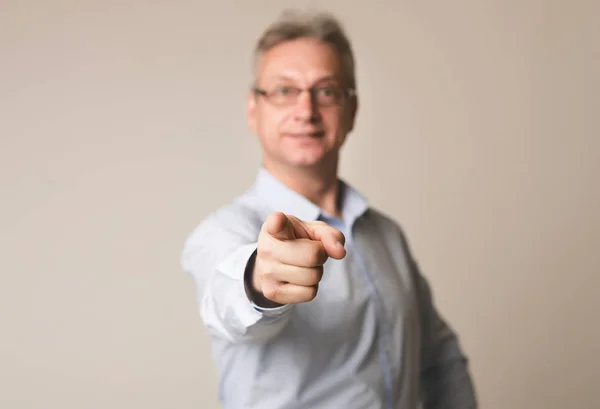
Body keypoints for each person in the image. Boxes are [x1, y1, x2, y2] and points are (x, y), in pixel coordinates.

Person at [180, 9, 478, 409]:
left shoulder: (386, 235)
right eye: (284, 91)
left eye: (326, 91)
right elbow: (229, 302)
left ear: (351, 110)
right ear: (254, 109)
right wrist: (261, 280)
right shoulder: (221, 233)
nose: (306, 110)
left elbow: (439, 359)